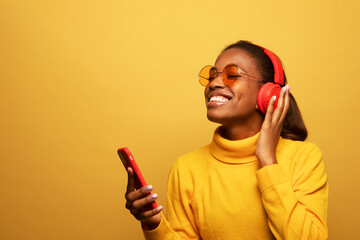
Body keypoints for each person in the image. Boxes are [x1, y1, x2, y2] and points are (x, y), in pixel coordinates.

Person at [124, 40, 328, 239]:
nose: (213, 83)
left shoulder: (304, 158)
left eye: (232, 75)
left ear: (267, 94)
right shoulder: (186, 168)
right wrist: (153, 223)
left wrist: (267, 160)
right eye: (212, 75)